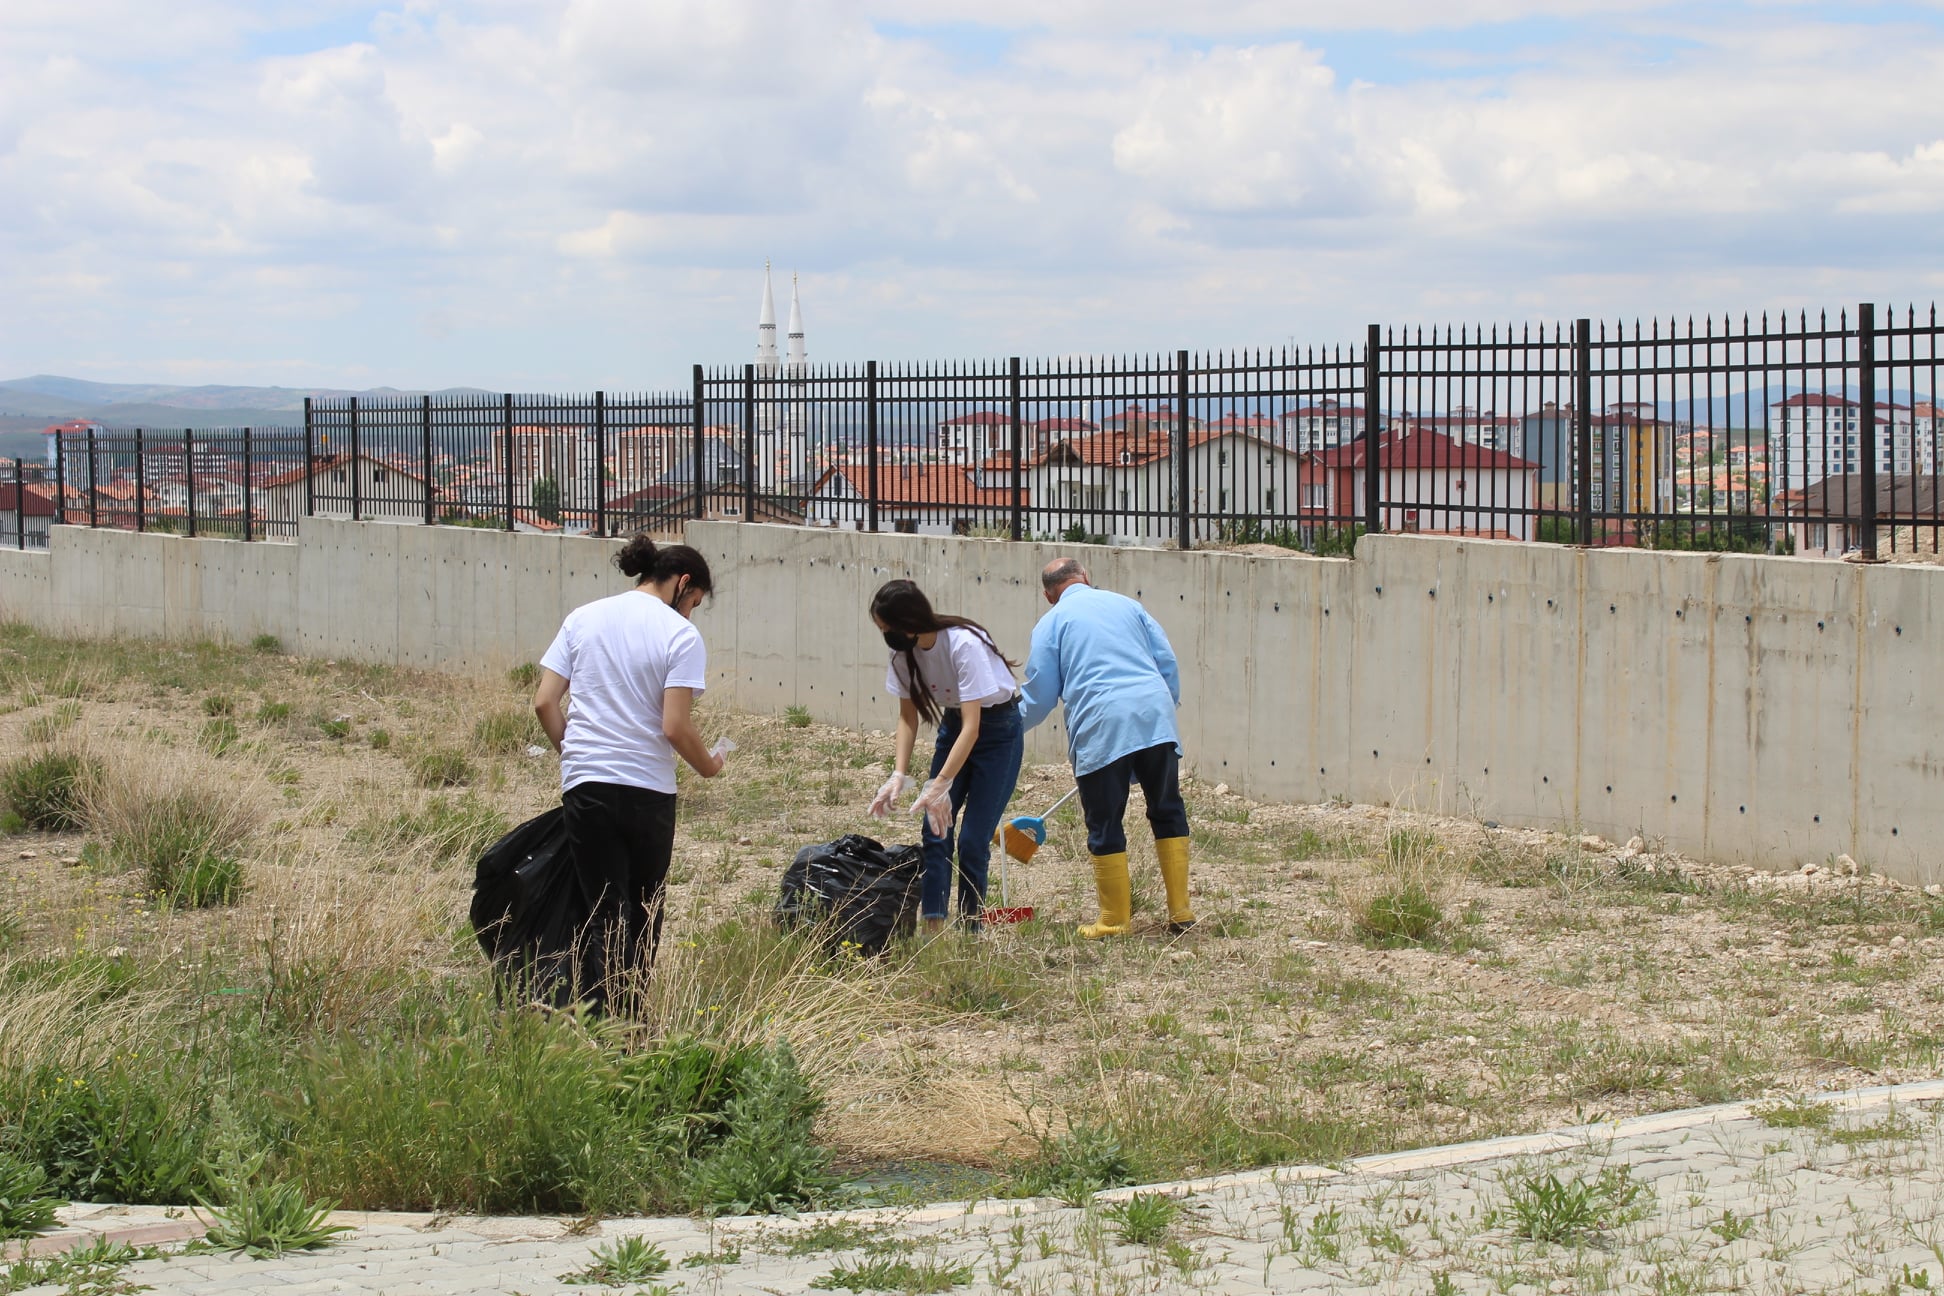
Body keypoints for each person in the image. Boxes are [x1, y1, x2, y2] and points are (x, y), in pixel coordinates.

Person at [531, 534, 726, 1010]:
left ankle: (595, 1020)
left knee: (601, 911)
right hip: (647, 792)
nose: (691, 613)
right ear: (683, 584)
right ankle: (630, 1022)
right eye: (694, 602)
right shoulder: (680, 635)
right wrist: (710, 766)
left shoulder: (583, 617)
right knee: (642, 912)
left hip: (587, 788)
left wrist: (575, 754)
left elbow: (543, 702)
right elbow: (676, 727)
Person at [1018, 557, 1194, 937]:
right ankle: (1180, 911)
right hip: (1155, 716)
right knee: (1167, 809)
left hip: (1101, 723)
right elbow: (1166, 663)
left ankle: (1114, 921)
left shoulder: (1051, 623)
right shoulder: (1128, 605)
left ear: (1049, 595)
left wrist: (1006, 729)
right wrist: (1163, 710)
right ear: (1086, 577)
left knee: (1104, 820)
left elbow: (1040, 694)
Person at [866, 579, 1024, 933]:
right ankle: (933, 924)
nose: (886, 636)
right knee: (935, 829)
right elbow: (907, 716)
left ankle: (971, 929)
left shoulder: (963, 644)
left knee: (972, 839)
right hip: (954, 727)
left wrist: (940, 783)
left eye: (887, 628)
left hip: (997, 731)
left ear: (908, 620)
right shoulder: (902, 654)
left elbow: (974, 727)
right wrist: (899, 774)